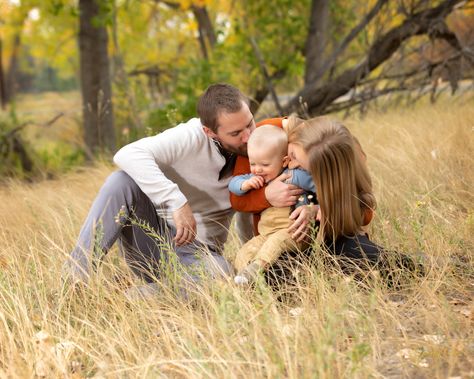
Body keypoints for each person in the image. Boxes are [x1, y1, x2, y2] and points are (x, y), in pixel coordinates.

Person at [62, 83, 302, 295]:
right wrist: (176, 201)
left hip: (200, 258)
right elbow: (126, 153)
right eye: (236, 133)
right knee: (121, 181)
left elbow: (248, 206)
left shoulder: (265, 145)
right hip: (153, 242)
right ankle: (73, 283)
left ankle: (127, 300)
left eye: (249, 123)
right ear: (209, 132)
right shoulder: (189, 136)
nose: (249, 137)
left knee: (222, 274)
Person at [286, 116, 382, 266]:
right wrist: (266, 194)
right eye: (292, 156)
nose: (291, 166)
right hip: (272, 238)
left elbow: (360, 214)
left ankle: (410, 265)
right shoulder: (277, 133)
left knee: (347, 249)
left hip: (316, 243)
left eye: (301, 168)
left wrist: (319, 208)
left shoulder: (348, 158)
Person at [228, 125, 316, 284]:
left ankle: (257, 268)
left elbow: (322, 187)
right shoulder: (257, 178)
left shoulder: (295, 175)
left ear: (284, 161)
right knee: (246, 250)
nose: (257, 170)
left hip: (294, 233)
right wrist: (245, 184)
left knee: (275, 243)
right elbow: (233, 184)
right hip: (266, 234)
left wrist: (318, 207)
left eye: (265, 165)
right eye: (253, 164)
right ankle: (242, 278)